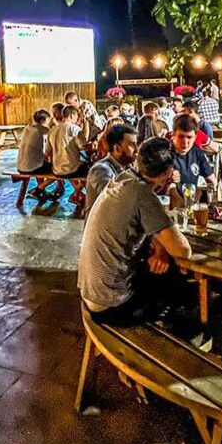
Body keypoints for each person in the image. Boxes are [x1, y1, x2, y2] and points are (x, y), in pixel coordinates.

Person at [78, 137, 192, 325]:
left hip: (90, 293)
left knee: (159, 269)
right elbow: (183, 250)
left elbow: (153, 230)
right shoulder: (143, 195)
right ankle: (181, 334)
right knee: (177, 282)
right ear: (169, 172)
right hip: (111, 305)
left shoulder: (123, 178)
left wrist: (160, 249)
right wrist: (171, 187)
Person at [85, 123, 138, 214]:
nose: (137, 150)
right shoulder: (100, 170)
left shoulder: (128, 167)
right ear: (117, 148)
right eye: (132, 145)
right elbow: (115, 200)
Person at [170, 114, 217, 200]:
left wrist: (214, 196)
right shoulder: (165, 152)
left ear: (195, 137)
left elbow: (211, 179)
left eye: (189, 137)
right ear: (173, 135)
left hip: (190, 202)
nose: (185, 142)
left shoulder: (196, 151)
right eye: (181, 136)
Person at [48, 105, 89, 177]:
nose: (77, 119)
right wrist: (86, 126)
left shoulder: (52, 130)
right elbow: (83, 146)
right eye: (77, 116)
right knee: (92, 168)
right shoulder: (74, 129)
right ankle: (80, 188)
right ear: (71, 115)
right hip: (72, 170)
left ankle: (77, 188)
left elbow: (47, 151)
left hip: (56, 170)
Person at [17, 109, 52, 174]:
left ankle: (40, 183)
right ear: (42, 120)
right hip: (33, 168)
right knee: (57, 169)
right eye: (48, 120)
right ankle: (42, 185)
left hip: (20, 167)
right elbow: (48, 149)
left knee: (38, 160)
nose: (49, 122)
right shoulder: (43, 130)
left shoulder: (27, 128)